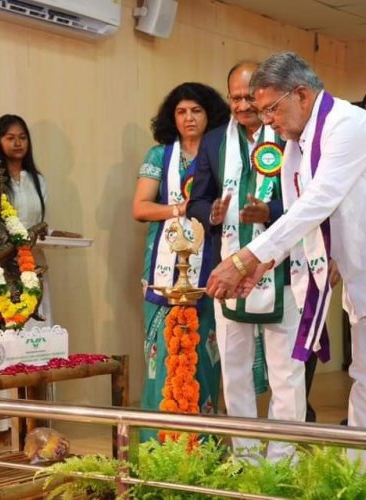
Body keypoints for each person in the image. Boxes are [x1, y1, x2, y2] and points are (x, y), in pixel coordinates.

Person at [204, 52, 366, 488]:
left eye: (270, 109)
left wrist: (245, 258)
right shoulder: (295, 145)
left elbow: (315, 202)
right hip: (364, 277)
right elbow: (306, 222)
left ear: (301, 94)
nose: (266, 122)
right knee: (364, 383)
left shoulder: (348, 126)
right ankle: (355, 484)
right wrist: (260, 265)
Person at [188, 62, 312, 461]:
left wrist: (270, 212)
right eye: (235, 98)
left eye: (248, 97)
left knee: (285, 374)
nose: (242, 106)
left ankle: (282, 460)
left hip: (282, 270)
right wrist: (213, 214)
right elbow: (198, 198)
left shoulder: (289, 135)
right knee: (234, 370)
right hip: (228, 265)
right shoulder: (212, 142)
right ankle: (245, 456)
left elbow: (307, 199)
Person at [132, 82, 229, 443]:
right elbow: (140, 208)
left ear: (210, 115)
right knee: (161, 351)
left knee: (206, 350)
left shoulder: (222, 152)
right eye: (181, 111)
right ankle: (159, 446)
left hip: (210, 266)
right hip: (162, 267)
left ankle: (201, 445)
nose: (189, 118)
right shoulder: (160, 155)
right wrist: (183, 209)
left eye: (196, 111)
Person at [0, 114, 81, 329]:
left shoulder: (37, 180)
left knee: (37, 324)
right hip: (4, 261)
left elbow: (38, 222)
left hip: (34, 258)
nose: (18, 143)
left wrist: (54, 233)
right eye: (10, 138)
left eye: (22, 137)